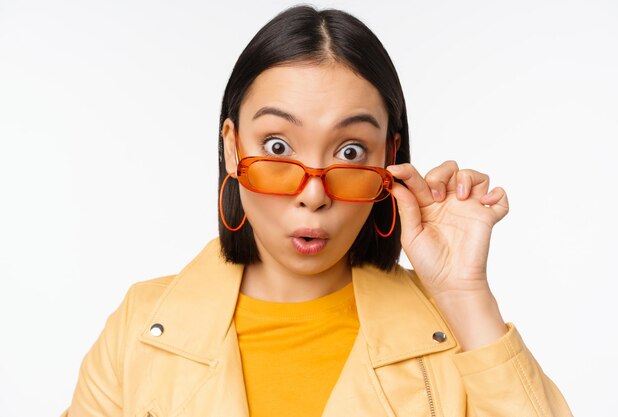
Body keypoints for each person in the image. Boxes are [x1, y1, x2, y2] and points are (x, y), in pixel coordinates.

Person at [62, 5, 572, 417]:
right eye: (279, 146)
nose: (313, 193)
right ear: (232, 150)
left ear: (389, 159)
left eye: (350, 151)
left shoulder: (450, 332)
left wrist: (464, 297)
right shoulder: (141, 327)